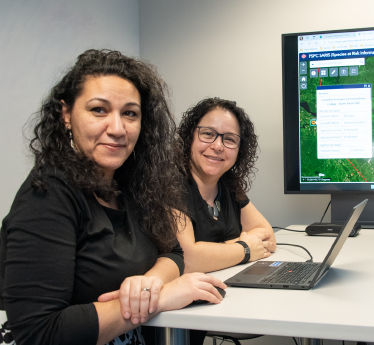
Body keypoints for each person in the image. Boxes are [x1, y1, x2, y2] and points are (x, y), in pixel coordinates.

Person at [0, 49, 226, 345]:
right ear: (66, 115)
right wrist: (158, 300)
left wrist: (150, 284)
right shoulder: (47, 194)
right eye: (99, 110)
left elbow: (174, 253)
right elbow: (39, 333)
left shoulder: (131, 184)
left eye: (130, 113)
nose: (117, 128)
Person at [176, 97, 276, 273]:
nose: (218, 146)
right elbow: (187, 259)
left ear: (240, 150)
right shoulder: (170, 184)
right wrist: (244, 248)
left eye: (229, 139)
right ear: (189, 136)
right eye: (208, 134)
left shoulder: (229, 186)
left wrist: (215, 252)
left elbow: (268, 237)